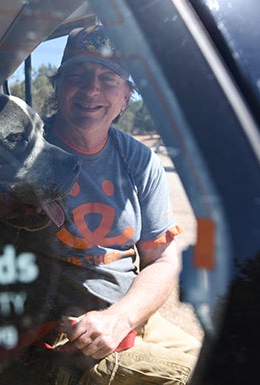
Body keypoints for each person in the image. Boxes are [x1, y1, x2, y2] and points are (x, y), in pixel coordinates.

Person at [20, 25, 201, 385]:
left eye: (108, 78)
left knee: (224, 358)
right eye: (78, 75)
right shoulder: (24, 151)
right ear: (57, 87)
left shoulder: (140, 161)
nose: (91, 89)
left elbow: (162, 258)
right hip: (60, 328)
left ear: (125, 97)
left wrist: (121, 317)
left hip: (126, 316)